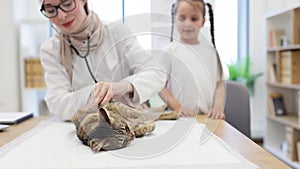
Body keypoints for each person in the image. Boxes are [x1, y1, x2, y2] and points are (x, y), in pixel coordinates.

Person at [39, 0, 166, 120]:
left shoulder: (116, 32)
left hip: (127, 120)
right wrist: (95, 94)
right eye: (50, 10)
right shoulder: (51, 50)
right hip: (85, 125)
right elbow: (57, 102)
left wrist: (126, 86)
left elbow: (156, 73)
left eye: (67, 4)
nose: (61, 15)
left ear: (83, 1)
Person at [159, 0, 225, 119]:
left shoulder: (211, 52)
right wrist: (176, 106)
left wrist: (218, 108)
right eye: (182, 18)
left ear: (203, 21)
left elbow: (219, 83)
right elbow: (159, 85)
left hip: (208, 118)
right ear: (175, 19)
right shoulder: (169, 51)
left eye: (194, 19)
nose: (188, 24)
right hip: (179, 118)